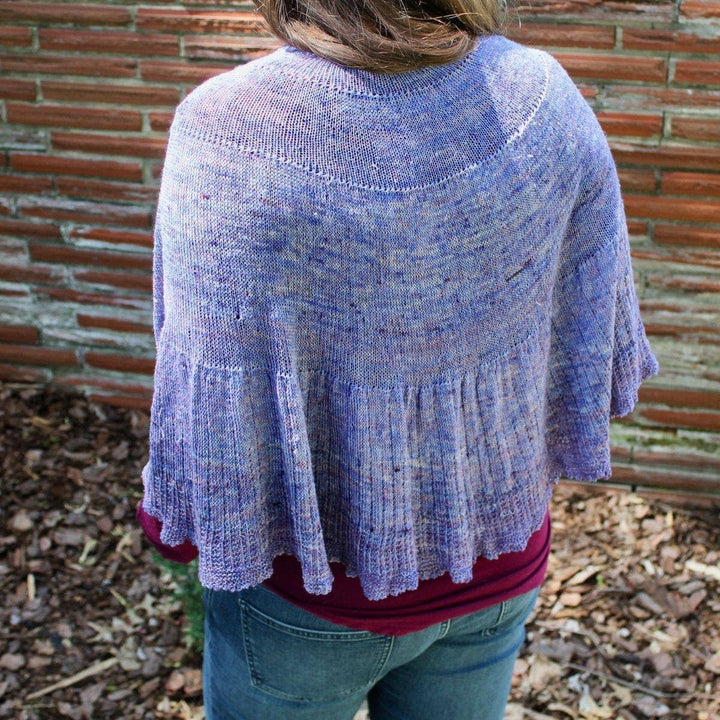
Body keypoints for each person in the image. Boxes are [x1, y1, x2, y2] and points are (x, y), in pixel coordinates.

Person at [136, 0, 660, 715]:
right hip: (495, 564)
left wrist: (177, 522)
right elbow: (590, 289)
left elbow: (204, 356)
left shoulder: (228, 126)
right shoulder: (539, 91)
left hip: (311, 596)